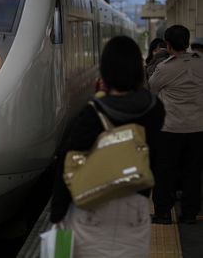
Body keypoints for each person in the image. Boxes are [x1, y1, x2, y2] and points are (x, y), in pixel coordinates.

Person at [50, 36, 165, 257]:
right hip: (135, 204)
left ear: (105, 72)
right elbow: (156, 154)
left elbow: (67, 163)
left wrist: (58, 213)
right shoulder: (154, 107)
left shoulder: (93, 111)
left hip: (92, 206)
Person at [149, 25, 203, 224]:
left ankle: (163, 213)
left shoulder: (166, 67)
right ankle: (189, 214)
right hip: (198, 128)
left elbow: (152, 88)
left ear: (168, 45)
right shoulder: (201, 64)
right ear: (188, 42)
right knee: (193, 172)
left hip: (170, 128)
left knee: (165, 171)